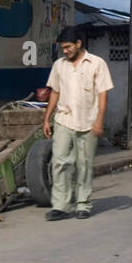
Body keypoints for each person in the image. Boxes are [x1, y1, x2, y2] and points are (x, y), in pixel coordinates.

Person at [42, 26, 113, 221]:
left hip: (88, 121)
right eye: (63, 48)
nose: (65, 51)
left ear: (78, 44)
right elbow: (55, 92)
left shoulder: (97, 64)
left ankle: (83, 204)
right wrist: (47, 118)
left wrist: (99, 121)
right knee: (60, 162)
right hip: (64, 119)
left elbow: (103, 94)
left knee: (84, 164)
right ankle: (61, 205)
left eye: (67, 47)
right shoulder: (59, 65)